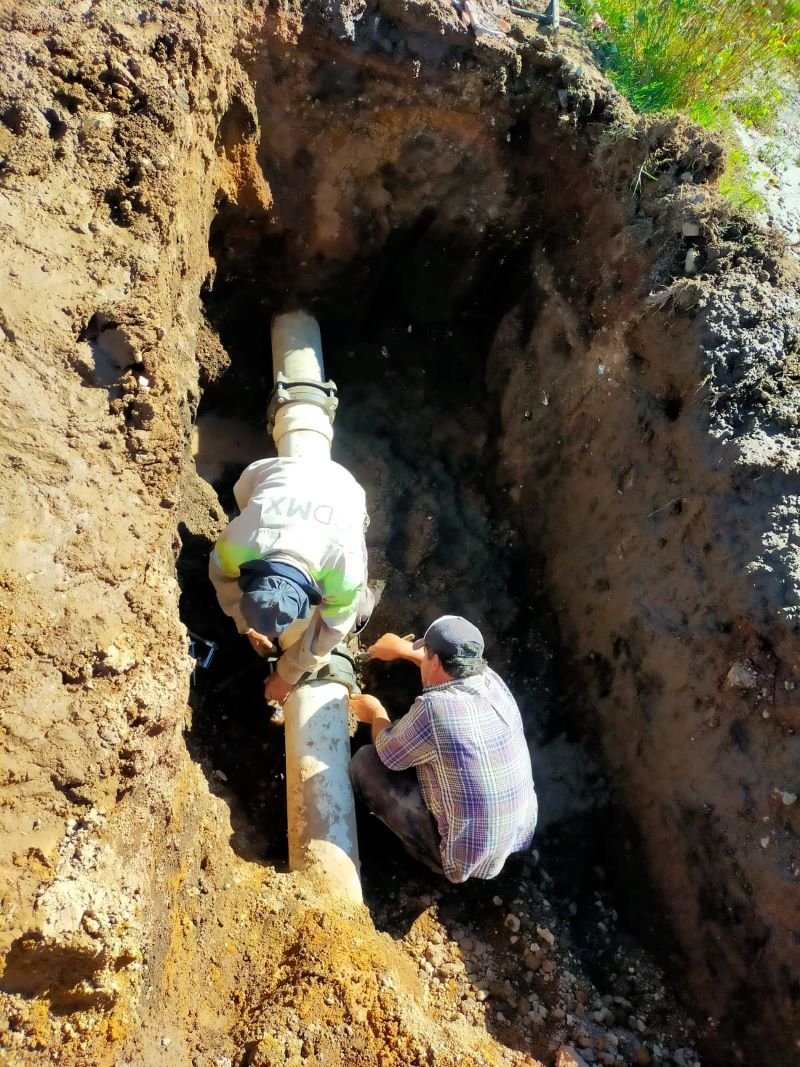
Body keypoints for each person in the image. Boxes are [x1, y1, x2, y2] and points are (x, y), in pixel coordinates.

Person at [349, 615, 537, 883]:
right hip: (511, 839)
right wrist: (402, 651)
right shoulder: (491, 681)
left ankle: (424, 857)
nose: (421, 656)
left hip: (460, 859)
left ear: (435, 660)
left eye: (425, 652)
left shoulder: (433, 709)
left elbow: (388, 752)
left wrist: (375, 711)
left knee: (364, 762)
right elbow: (443, 673)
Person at [209, 454, 370, 705]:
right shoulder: (237, 545)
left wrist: (288, 673)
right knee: (245, 508)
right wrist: (246, 626)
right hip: (270, 472)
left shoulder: (345, 571)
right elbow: (222, 577)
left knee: (356, 610)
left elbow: (332, 628)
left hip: (345, 489)